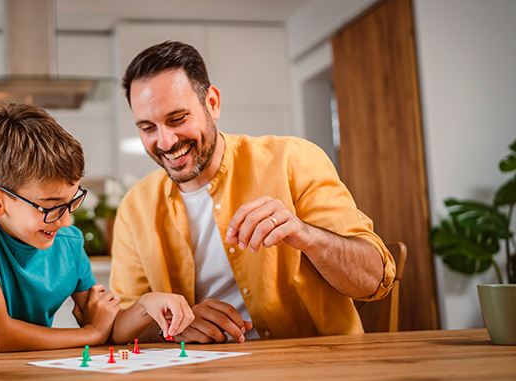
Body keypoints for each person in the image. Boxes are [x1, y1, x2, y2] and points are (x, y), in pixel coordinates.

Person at [110, 41, 396, 344]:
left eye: (178, 119)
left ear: (213, 103)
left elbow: (373, 279)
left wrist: (306, 235)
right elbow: (122, 324)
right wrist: (174, 326)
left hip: (311, 369)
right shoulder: (135, 206)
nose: (165, 141)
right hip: (201, 378)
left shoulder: (293, 160)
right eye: (147, 127)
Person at [0, 103, 194, 352]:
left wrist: (147, 304)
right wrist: (90, 335)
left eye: (72, 202)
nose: (66, 220)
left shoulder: (68, 241)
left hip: (30, 372)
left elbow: (108, 328)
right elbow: (0, 336)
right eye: (50, 206)